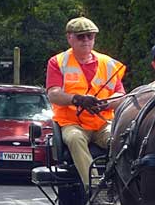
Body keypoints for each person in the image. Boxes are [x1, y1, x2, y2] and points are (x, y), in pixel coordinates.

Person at [45, 17, 126, 189]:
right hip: (72, 124)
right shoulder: (58, 62)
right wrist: (78, 99)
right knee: (75, 139)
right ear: (70, 38)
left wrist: (106, 104)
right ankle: (95, 188)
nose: (86, 40)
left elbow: (121, 95)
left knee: (120, 139)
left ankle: (121, 186)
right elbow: (53, 94)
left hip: (103, 123)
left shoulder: (108, 63)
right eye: (81, 37)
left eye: (90, 36)